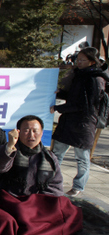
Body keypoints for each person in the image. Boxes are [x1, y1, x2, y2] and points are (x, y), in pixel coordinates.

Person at [0, 115, 82, 235]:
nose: (31, 135)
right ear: (18, 132)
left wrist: (44, 203)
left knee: (70, 212)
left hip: (38, 203)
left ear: (42, 133)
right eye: (26, 131)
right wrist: (10, 146)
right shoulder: (9, 150)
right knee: (11, 218)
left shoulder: (49, 157)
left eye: (35, 131)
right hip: (13, 201)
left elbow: (56, 186)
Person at [51, 47, 109, 196]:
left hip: (84, 123)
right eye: (78, 59)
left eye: (83, 60)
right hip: (69, 121)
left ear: (91, 62)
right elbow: (74, 96)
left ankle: (78, 186)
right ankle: (52, 181)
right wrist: (62, 93)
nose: (79, 62)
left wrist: (59, 108)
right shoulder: (80, 75)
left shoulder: (96, 79)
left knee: (82, 157)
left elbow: (86, 104)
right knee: (56, 154)